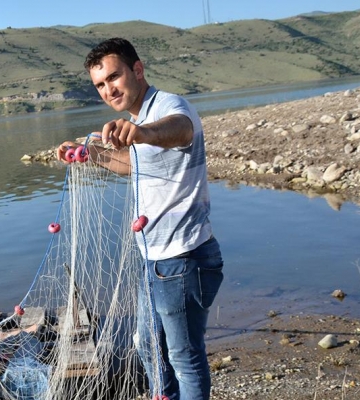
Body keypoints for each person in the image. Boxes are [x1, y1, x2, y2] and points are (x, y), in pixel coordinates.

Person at [56, 38, 224, 400]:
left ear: (137, 69)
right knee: (146, 344)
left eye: (114, 77)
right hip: (155, 260)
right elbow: (133, 164)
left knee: (184, 357)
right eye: (100, 84)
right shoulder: (139, 118)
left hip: (183, 257)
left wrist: (145, 133)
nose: (108, 89)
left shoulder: (168, 106)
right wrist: (87, 154)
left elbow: (181, 129)